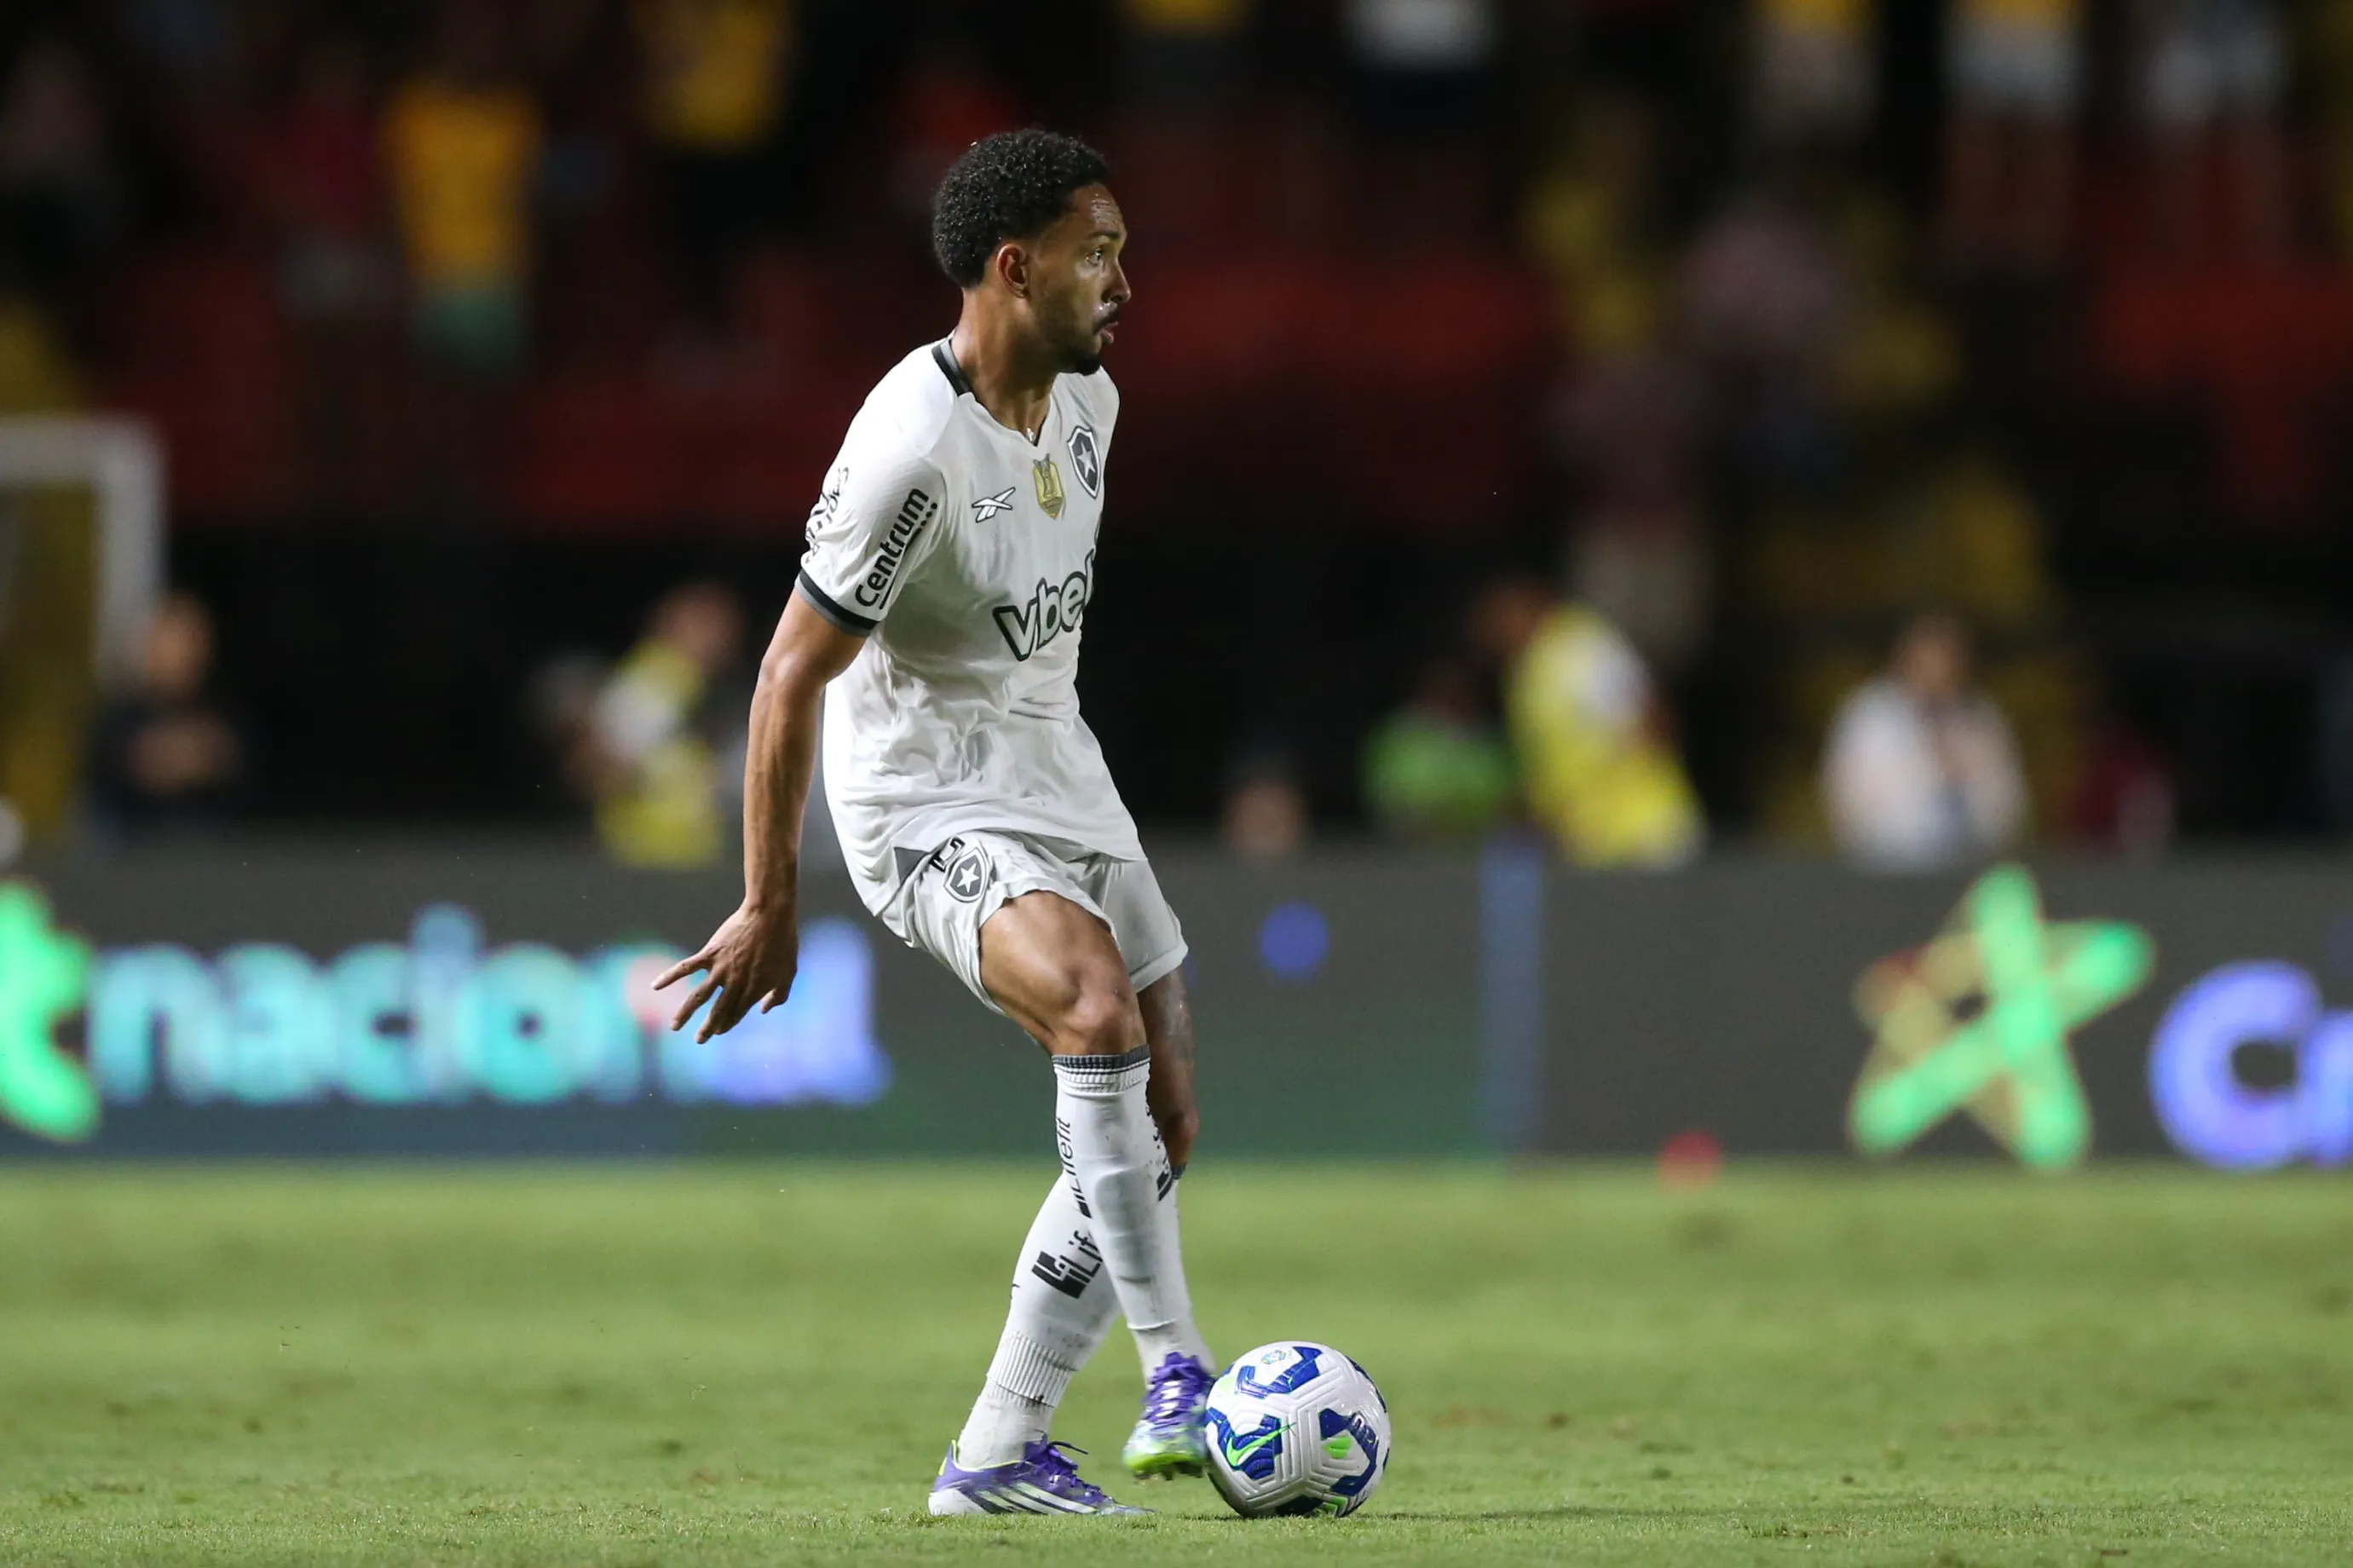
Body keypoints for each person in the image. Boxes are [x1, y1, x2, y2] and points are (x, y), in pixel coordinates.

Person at [657, 131, 1212, 1516]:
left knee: (1162, 1119)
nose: (1124, 283)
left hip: (1057, 767)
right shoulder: (909, 453)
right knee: (1093, 1009)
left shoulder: (1091, 406)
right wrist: (769, 898)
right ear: (1014, 268)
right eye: (1098, 254)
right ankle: (1178, 1371)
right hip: (923, 796)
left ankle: (998, 1452)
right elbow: (788, 673)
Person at [1470, 577, 1704, 869]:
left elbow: (1653, 717)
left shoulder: (1579, 651)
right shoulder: (1526, 670)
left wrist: (1618, 775)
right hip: (1592, 839)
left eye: (1502, 620)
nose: (1495, 634)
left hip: (1645, 832)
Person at [1822, 611, 2027, 870]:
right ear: (1906, 658)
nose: (1938, 669)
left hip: (1970, 869)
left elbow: (2009, 807)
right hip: (1886, 869)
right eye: (1930, 657)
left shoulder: (1980, 718)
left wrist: (1966, 778)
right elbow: (1848, 802)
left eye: (1948, 659)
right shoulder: (1869, 717)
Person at [86, 592, 247, 836]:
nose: (181, 656)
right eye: (172, 644)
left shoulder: (224, 715)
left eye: (190, 644)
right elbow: (121, 769)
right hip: (135, 850)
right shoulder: (118, 720)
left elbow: (236, 767)